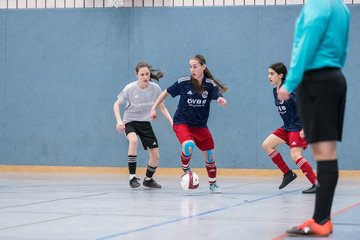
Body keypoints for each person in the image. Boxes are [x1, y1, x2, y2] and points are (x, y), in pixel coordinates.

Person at [277, 0, 350, 237]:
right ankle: (322, 219)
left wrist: (290, 82)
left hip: (316, 81)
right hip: (334, 78)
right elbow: (342, 48)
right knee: (327, 152)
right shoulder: (342, 7)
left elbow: (306, 43)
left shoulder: (318, 4)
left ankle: (320, 220)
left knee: (323, 154)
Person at [150, 54, 228, 193]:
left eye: (195, 66)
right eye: (190, 66)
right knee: (188, 145)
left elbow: (217, 94)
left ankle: (213, 184)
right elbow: (165, 93)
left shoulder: (209, 84)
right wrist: (153, 108)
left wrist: (220, 99)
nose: (192, 69)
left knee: (209, 156)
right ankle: (186, 168)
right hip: (181, 122)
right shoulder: (184, 82)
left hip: (200, 125)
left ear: (203, 67)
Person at [113, 62, 173, 189]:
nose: (145, 77)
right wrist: (119, 121)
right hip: (130, 122)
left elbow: (162, 107)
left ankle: (148, 179)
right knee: (133, 141)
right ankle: (132, 178)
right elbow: (116, 104)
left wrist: (172, 121)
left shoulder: (155, 88)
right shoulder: (129, 88)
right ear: (137, 75)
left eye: (147, 74)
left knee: (156, 156)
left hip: (145, 123)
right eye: (142, 74)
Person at [262, 63, 317, 194]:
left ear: (280, 75)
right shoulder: (275, 91)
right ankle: (288, 174)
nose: (269, 76)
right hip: (287, 127)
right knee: (267, 145)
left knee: (295, 155)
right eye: (268, 73)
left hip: (298, 127)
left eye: (272, 74)